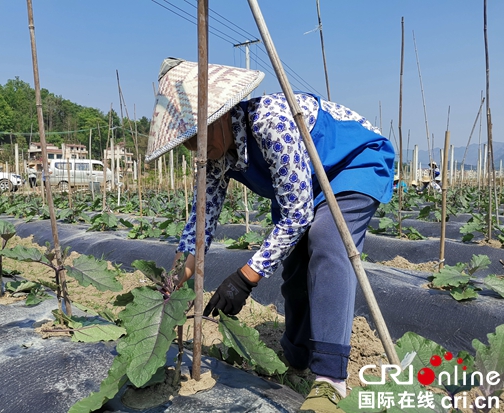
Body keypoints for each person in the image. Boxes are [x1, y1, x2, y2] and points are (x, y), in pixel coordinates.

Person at [145, 58, 395, 412]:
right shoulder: (215, 155)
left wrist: (244, 278)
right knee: (294, 270)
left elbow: (296, 215)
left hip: (352, 163)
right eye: (185, 142)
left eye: (195, 137)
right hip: (302, 184)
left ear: (219, 114)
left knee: (326, 238)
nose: (192, 150)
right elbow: (202, 219)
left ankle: (330, 380)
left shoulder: (269, 122)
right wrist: (177, 277)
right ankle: (297, 357)